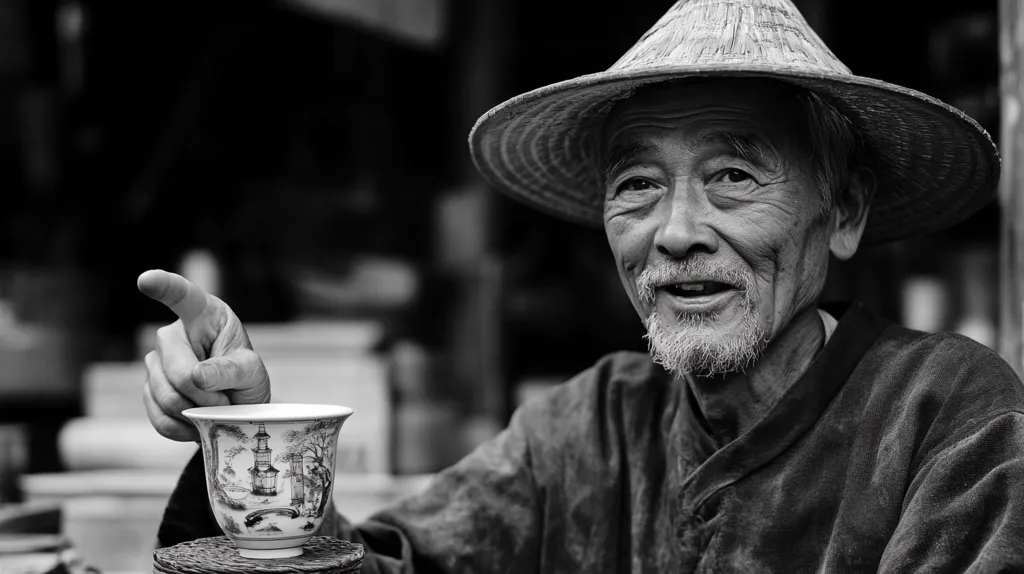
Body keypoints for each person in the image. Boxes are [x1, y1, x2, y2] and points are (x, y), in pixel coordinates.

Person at [139, 0, 1024, 571]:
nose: (674, 232)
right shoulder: (586, 429)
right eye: (637, 184)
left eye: (733, 177)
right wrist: (249, 435)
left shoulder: (947, 415)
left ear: (844, 212)